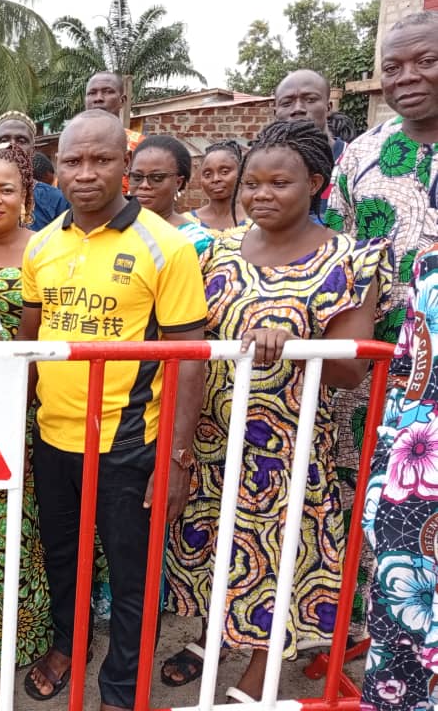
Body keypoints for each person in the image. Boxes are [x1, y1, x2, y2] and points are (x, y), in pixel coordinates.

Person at [163, 120, 390, 702]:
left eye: (278, 184)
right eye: (252, 184)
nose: (260, 195)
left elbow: (349, 370)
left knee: (276, 556)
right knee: (222, 554)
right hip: (216, 437)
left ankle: (258, 676)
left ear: (314, 183)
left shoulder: (350, 260)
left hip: (284, 446)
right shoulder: (218, 249)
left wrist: (291, 338)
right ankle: (215, 642)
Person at [19, 109, 207, 707]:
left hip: (130, 447)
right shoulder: (41, 245)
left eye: (101, 159)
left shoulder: (167, 246)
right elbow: (31, 342)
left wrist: (175, 459)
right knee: (63, 561)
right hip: (54, 442)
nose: (85, 172)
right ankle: (67, 647)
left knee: (133, 577)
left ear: (125, 166)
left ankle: (120, 689)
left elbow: (190, 357)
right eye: (73, 160)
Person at [324, 11, 438, 639]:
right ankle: (365, 632)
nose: (407, 77)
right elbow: (338, 261)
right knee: (364, 498)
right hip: (375, 374)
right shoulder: (361, 157)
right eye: (392, 67)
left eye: (425, 60)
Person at [0, 141, 51, 667]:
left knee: (18, 524)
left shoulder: (44, 248)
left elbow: (45, 334)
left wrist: (15, 397)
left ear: (26, 195)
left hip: (23, 410)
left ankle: (16, 640)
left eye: (6, 189)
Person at [362, 242, 438, 710]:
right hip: (416, 467)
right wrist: (385, 474)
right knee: (400, 629)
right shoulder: (428, 262)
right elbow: (411, 370)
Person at [130, 135, 212, 254]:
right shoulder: (112, 230)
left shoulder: (195, 241)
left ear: (178, 183)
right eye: (137, 177)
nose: (144, 185)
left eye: (157, 178)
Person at [0, 110, 70, 231]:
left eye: (21, 141)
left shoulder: (57, 200)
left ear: (33, 150)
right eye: (3, 140)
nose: (13, 146)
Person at [83, 72, 145, 194]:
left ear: (122, 100)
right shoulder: (72, 142)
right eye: (92, 93)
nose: (98, 98)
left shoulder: (139, 145)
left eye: (107, 92)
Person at [275, 69, 346, 161]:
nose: (298, 109)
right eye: (286, 103)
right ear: (275, 113)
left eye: (310, 99)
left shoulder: (357, 161)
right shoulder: (263, 164)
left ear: (328, 108)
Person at [187, 140, 249, 233]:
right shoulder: (186, 224)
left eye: (224, 172)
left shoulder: (255, 222)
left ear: (240, 173)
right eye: (208, 174)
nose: (215, 179)